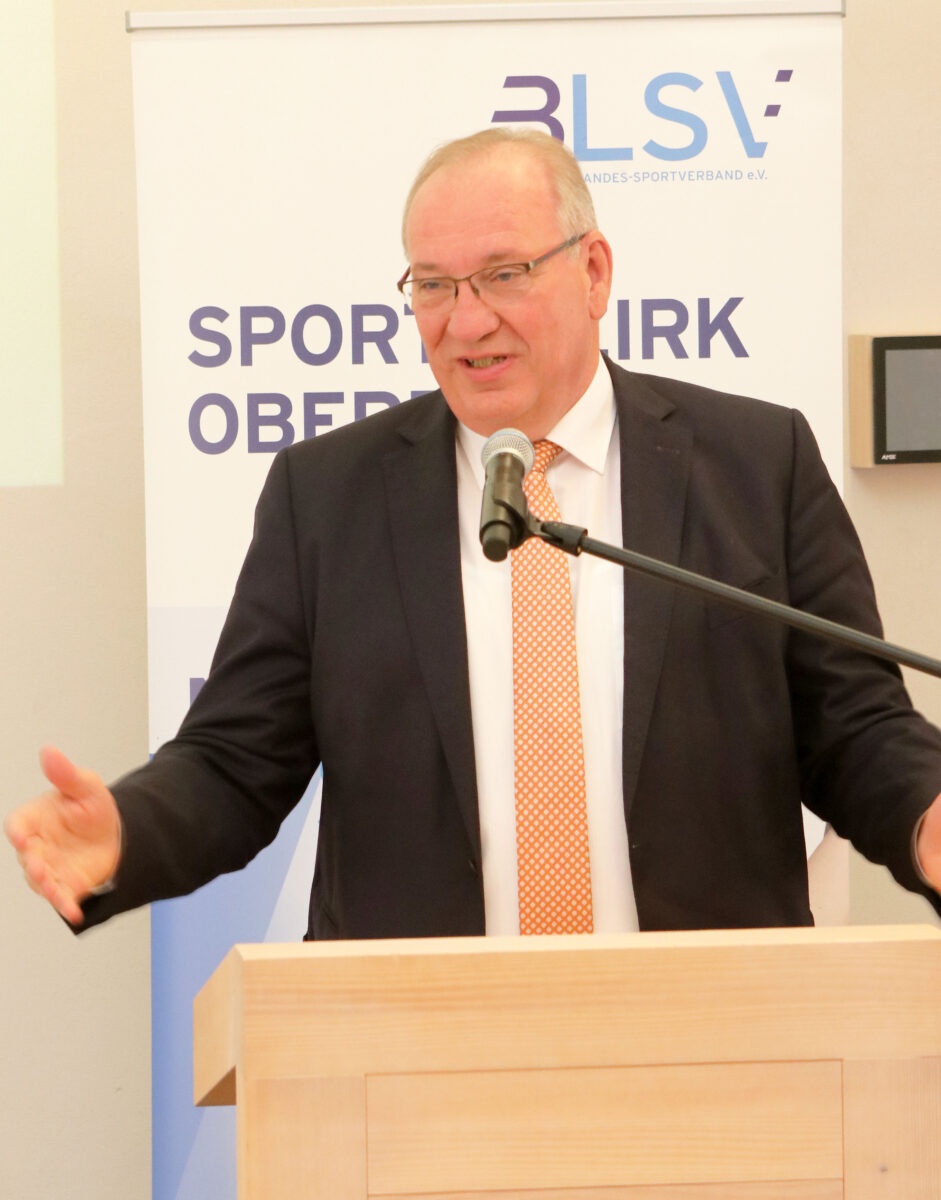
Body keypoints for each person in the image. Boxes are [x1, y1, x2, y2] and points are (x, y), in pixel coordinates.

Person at [7, 128, 941, 936]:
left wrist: (924, 810)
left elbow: (853, 725)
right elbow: (236, 760)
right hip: (412, 1042)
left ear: (593, 272)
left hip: (712, 1030)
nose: (466, 321)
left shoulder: (754, 464)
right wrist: (126, 833)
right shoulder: (327, 496)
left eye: (503, 275)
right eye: (433, 286)